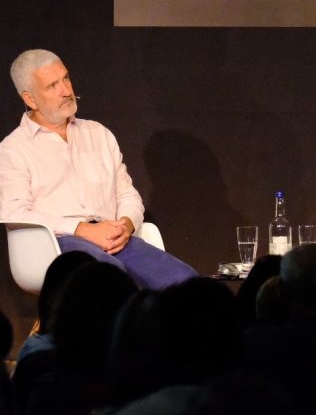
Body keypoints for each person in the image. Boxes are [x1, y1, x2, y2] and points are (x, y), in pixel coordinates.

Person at [0, 48, 197, 290]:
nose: (66, 91)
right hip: (60, 245)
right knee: (111, 281)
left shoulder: (98, 134)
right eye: (52, 86)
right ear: (30, 99)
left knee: (186, 282)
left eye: (66, 79)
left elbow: (127, 195)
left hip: (115, 238)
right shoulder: (14, 148)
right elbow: (13, 212)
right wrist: (81, 230)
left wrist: (126, 225)